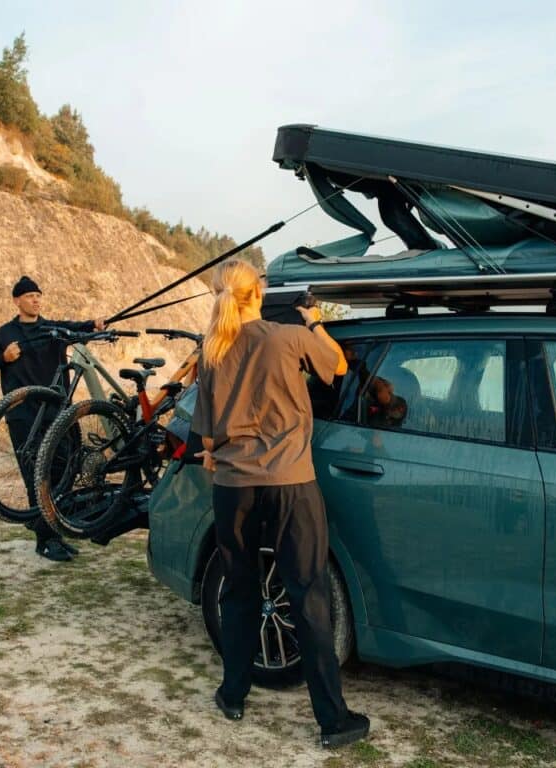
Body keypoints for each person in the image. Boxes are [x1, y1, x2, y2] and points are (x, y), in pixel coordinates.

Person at [190, 260, 370, 749]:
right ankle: (332, 720)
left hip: (233, 487)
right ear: (258, 292)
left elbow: (205, 434)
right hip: (290, 482)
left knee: (240, 589)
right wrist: (312, 320)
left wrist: (219, 454)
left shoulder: (212, 350)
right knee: (307, 593)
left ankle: (232, 695)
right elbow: (336, 365)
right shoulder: (285, 336)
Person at [0, 275, 105, 562]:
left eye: (38, 295)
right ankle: (45, 540)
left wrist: (93, 324)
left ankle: (55, 532)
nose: (35, 299)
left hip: (58, 411)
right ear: (17, 301)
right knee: (36, 473)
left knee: (62, 471)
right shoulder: (3, 334)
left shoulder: (53, 329)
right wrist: (4, 359)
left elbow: (77, 328)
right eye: (29, 296)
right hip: (24, 415)